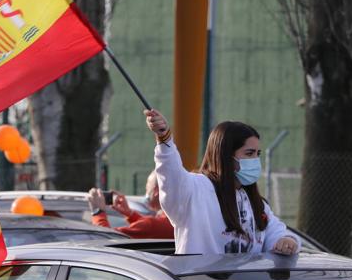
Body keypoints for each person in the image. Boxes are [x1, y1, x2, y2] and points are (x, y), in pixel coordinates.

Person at [144, 108, 300, 255]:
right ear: (225, 155)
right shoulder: (195, 189)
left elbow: (277, 233)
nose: (256, 160)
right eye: (249, 153)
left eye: (257, 153)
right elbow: (171, 177)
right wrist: (164, 140)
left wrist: (286, 241)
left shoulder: (257, 204)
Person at [87, 171, 174, 239]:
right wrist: (130, 213)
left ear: (156, 191)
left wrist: (98, 212)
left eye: (147, 187)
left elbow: (106, 237)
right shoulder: (177, 221)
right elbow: (153, 229)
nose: (146, 191)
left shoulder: (152, 225)